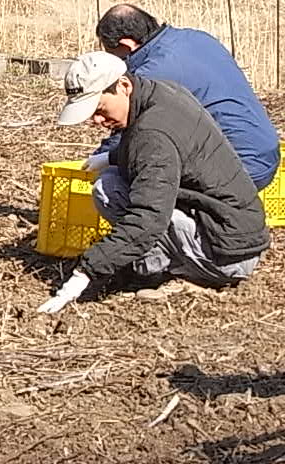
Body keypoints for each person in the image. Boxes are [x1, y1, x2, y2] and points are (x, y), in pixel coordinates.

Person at [39, 52, 269, 314]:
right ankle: (154, 265)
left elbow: (148, 218)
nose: (97, 122)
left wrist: (86, 271)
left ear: (124, 86)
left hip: (226, 255)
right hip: (235, 233)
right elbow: (160, 152)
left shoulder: (152, 135)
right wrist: (112, 157)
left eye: (100, 110)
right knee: (113, 182)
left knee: (110, 193)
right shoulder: (161, 93)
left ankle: (161, 273)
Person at [95, 3, 279, 190]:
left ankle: (184, 220)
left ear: (127, 45)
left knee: (111, 184)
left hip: (235, 168)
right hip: (266, 153)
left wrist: (102, 157)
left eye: (114, 55)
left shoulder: (151, 74)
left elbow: (130, 134)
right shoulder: (198, 38)